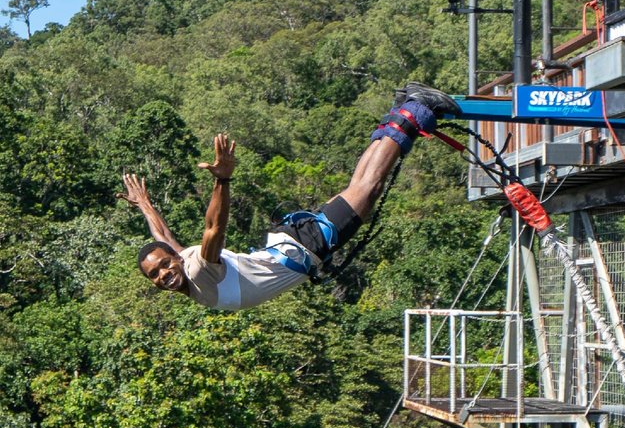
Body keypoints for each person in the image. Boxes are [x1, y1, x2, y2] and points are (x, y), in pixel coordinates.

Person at [120, 83, 456, 310]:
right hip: (292, 240)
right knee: (360, 189)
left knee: (367, 190)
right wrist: (146, 206)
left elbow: (213, 231)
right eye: (156, 273)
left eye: (164, 264)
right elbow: (162, 238)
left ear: (176, 261)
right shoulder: (187, 265)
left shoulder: (201, 275)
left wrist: (222, 182)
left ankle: (416, 109)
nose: (164, 272)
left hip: (304, 246)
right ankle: (399, 114)